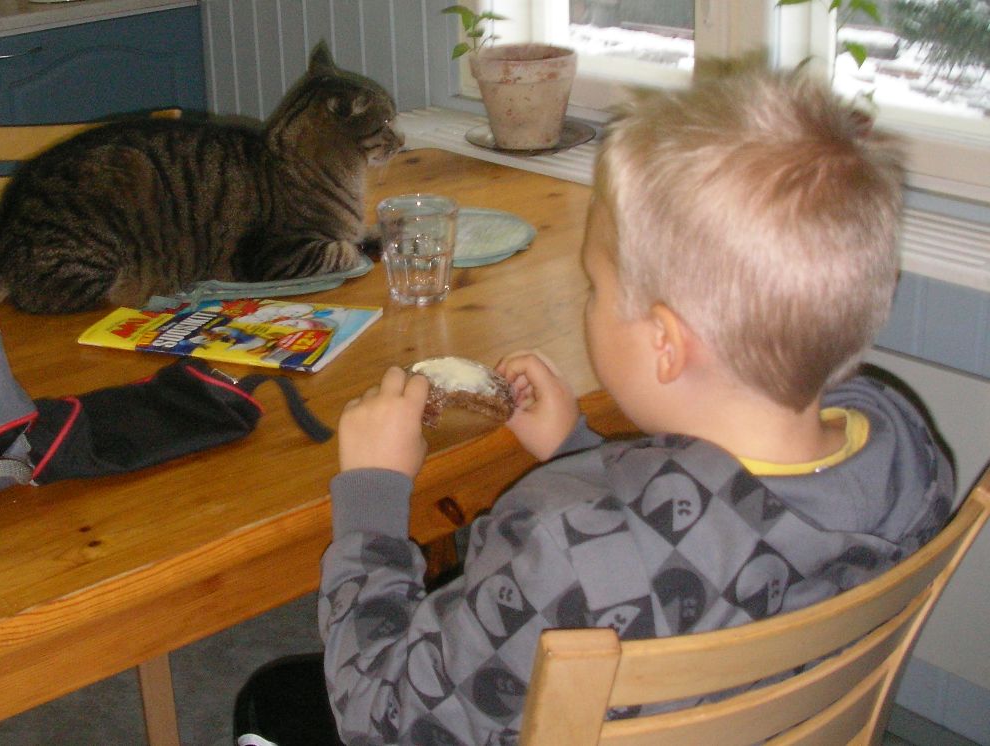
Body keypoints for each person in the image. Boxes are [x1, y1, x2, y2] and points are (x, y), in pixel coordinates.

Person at [233, 67, 956, 745]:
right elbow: (721, 532)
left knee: (273, 698)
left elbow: (380, 714)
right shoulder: (906, 449)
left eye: (595, 289)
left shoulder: (565, 549)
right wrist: (578, 450)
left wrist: (372, 497)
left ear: (665, 344)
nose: (589, 304)